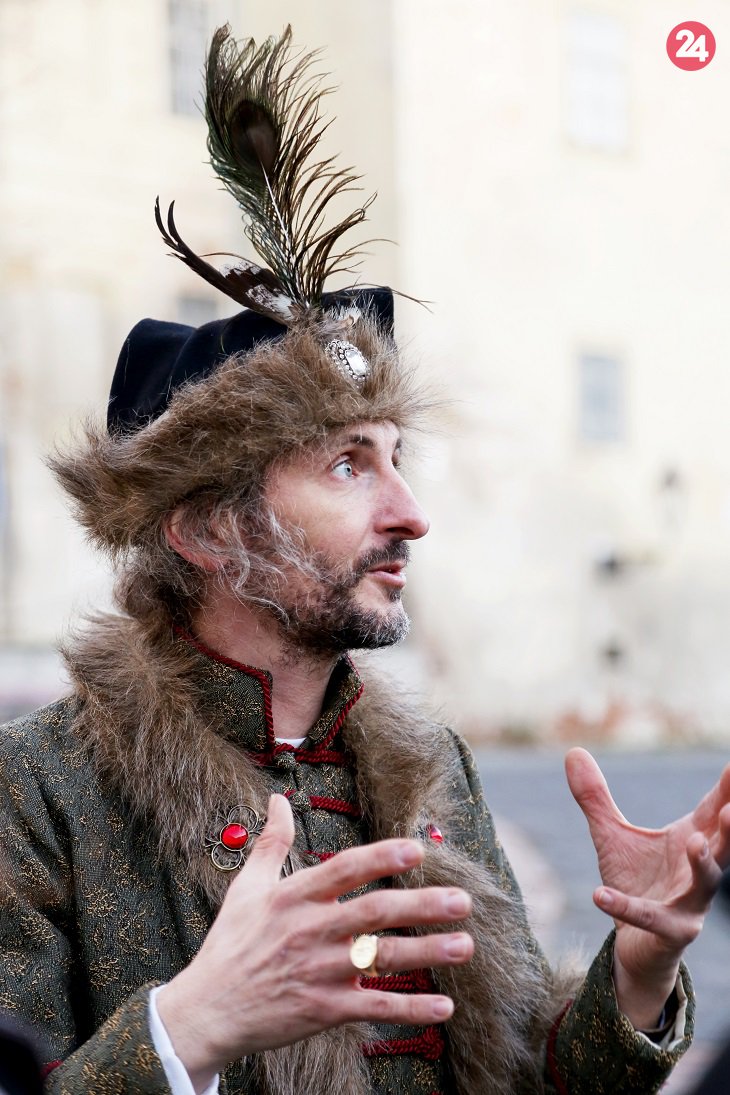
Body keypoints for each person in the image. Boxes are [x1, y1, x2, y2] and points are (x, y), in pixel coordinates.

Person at [1, 24, 729, 1095]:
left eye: (397, 457)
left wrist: (641, 960)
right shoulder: (36, 788)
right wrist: (186, 1028)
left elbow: (521, 1075)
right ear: (204, 529)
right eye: (347, 465)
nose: (411, 513)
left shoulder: (432, 764)